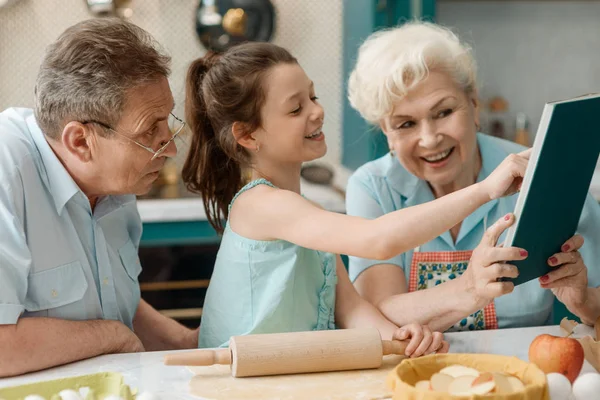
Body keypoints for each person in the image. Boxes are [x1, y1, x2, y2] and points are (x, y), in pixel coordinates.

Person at [181, 42, 529, 351]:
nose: (317, 111)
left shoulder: (308, 216)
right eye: (295, 109)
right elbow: (378, 239)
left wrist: (402, 341)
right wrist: (485, 190)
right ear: (247, 135)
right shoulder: (260, 205)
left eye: (313, 97)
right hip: (237, 385)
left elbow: (351, 309)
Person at [346, 21, 600, 332]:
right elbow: (375, 314)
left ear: (474, 104)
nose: (429, 139)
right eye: (405, 124)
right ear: (386, 133)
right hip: (415, 375)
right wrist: (470, 288)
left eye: (443, 112)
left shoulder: (539, 173)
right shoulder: (372, 187)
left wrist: (582, 300)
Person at [0, 18, 198, 377]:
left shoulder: (113, 178)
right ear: (80, 141)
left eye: (166, 121)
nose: (169, 148)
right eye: (149, 131)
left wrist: (187, 345)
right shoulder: (6, 172)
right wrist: (113, 337)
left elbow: (112, 301)